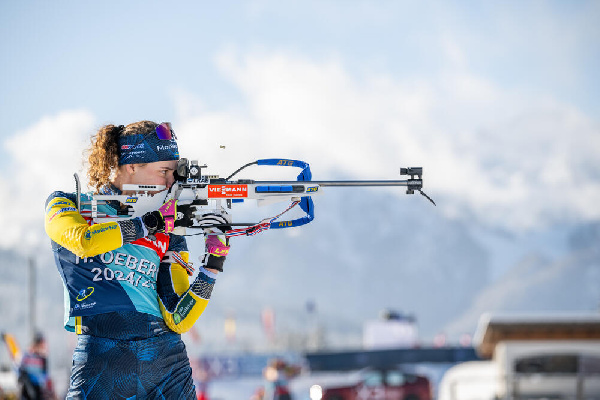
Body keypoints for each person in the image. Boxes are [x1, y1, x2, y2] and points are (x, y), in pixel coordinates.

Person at [44, 121, 231, 399]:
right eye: (164, 171)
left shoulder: (169, 228)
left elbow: (178, 318)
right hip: (103, 360)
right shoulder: (66, 203)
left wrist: (213, 263)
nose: (171, 183)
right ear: (132, 166)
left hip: (166, 363)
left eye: (174, 173)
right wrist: (146, 225)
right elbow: (83, 241)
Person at [18, 332, 56, 400]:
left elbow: (45, 374)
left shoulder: (43, 358)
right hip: (27, 387)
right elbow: (20, 370)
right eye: (41, 343)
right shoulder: (26, 355)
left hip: (39, 387)